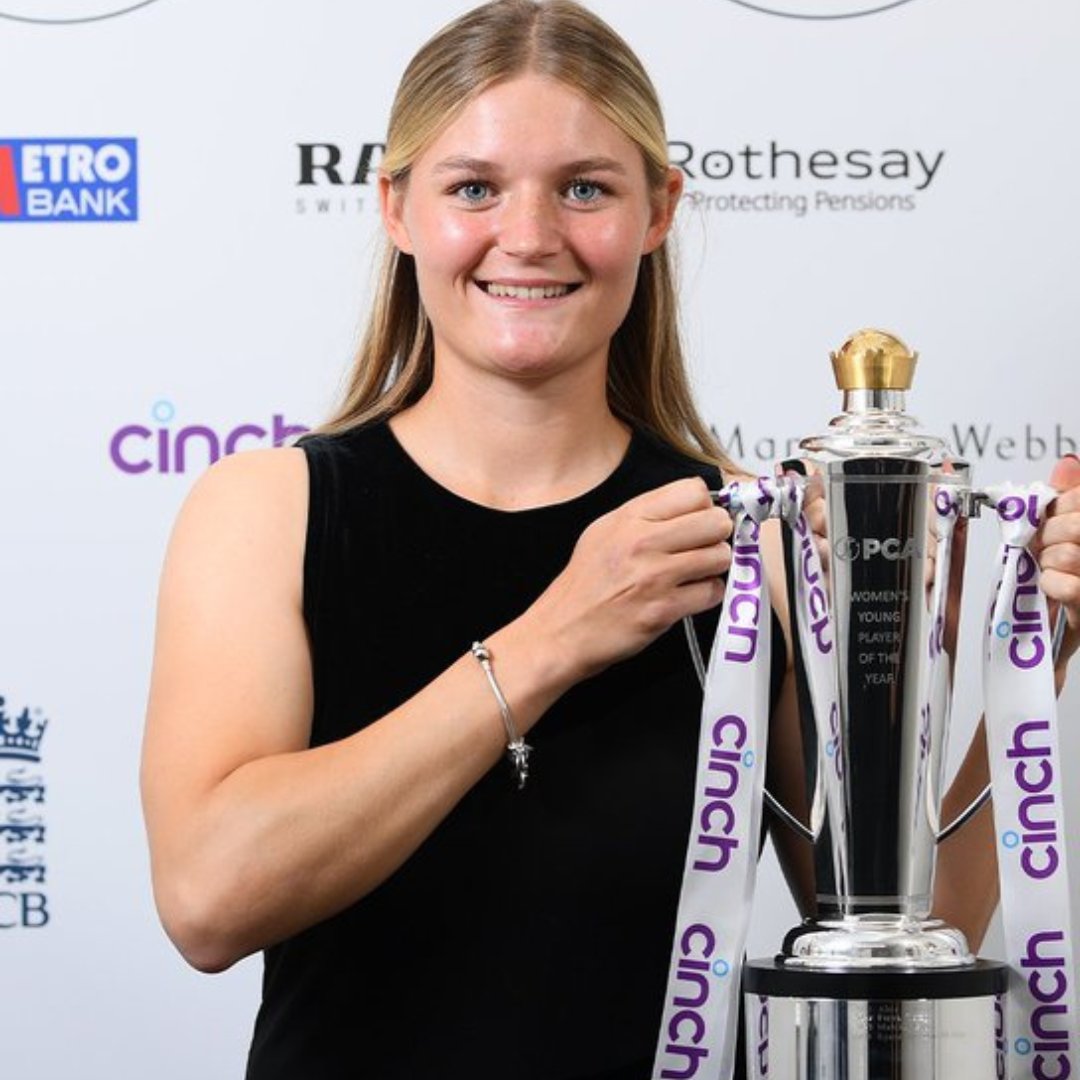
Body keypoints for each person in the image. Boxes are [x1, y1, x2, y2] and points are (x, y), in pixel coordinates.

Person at [140, 2, 1080, 1078]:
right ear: (396, 208)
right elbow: (208, 902)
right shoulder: (269, 509)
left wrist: (1027, 657)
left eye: (585, 187)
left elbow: (895, 927)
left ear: (658, 210)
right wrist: (551, 638)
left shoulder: (747, 535)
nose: (530, 236)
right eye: (474, 188)